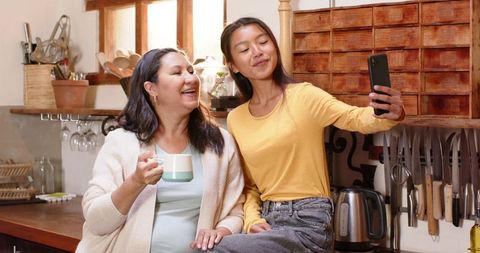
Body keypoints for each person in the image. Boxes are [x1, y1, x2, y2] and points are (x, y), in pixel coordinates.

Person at [212, 17, 405, 253]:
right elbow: (250, 186)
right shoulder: (236, 118)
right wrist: (253, 220)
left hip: (309, 221)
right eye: (244, 49)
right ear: (232, 65)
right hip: (267, 223)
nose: (257, 52)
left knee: (217, 249)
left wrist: (390, 113)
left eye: (263, 42)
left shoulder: (304, 96)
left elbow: (356, 118)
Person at [75, 48, 244, 253]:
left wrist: (222, 231)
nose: (190, 78)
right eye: (177, 72)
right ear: (151, 88)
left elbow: (236, 211)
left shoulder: (219, 143)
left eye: (191, 71)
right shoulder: (121, 142)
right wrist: (135, 182)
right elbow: (96, 221)